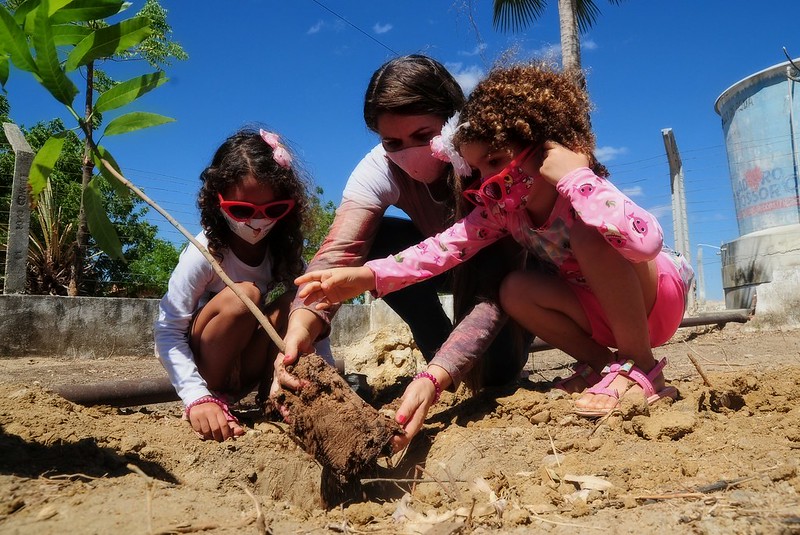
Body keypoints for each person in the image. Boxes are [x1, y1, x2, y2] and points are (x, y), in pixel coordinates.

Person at [295, 61, 695, 418]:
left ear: (541, 145)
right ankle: (599, 364)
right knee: (514, 289)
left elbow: (644, 243)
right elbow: (442, 249)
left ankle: (640, 365)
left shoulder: (580, 190)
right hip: (595, 311)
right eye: (478, 167)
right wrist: (368, 276)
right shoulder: (503, 211)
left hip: (654, 297)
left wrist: (579, 179)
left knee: (589, 237)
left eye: (496, 161)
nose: (486, 179)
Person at [278, 55, 530, 450]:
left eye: (423, 135)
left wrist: (441, 373)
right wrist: (300, 326)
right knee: (378, 241)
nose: (409, 152)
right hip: (434, 259)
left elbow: (498, 281)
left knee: (496, 376)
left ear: (454, 119)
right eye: (392, 142)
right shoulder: (378, 168)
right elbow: (341, 252)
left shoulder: (487, 160)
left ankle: (452, 364)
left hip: (502, 273)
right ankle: (434, 343)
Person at [155, 128, 332, 441]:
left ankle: (275, 396)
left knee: (305, 297)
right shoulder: (205, 253)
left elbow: (311, 316)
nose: (257, 222)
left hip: (248, 365)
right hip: (208, 365)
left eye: (273, 211)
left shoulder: (282, 253)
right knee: (244, 295)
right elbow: (167, 330)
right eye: (241, 211)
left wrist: (325, 375)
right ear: (216, 201)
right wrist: (196, 396)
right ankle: (214, 397)